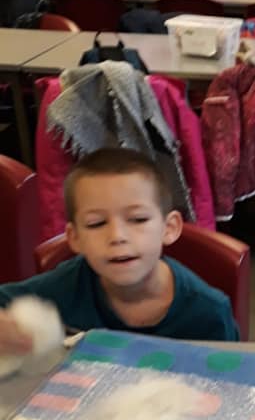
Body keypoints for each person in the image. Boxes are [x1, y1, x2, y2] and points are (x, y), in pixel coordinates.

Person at [0, 149, 238, 355]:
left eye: (137, 219)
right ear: (75, 238)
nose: (117, 236)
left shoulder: (209, 312)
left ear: (169, 228)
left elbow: (232, 379)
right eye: (96, 223)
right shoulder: (66, 285)